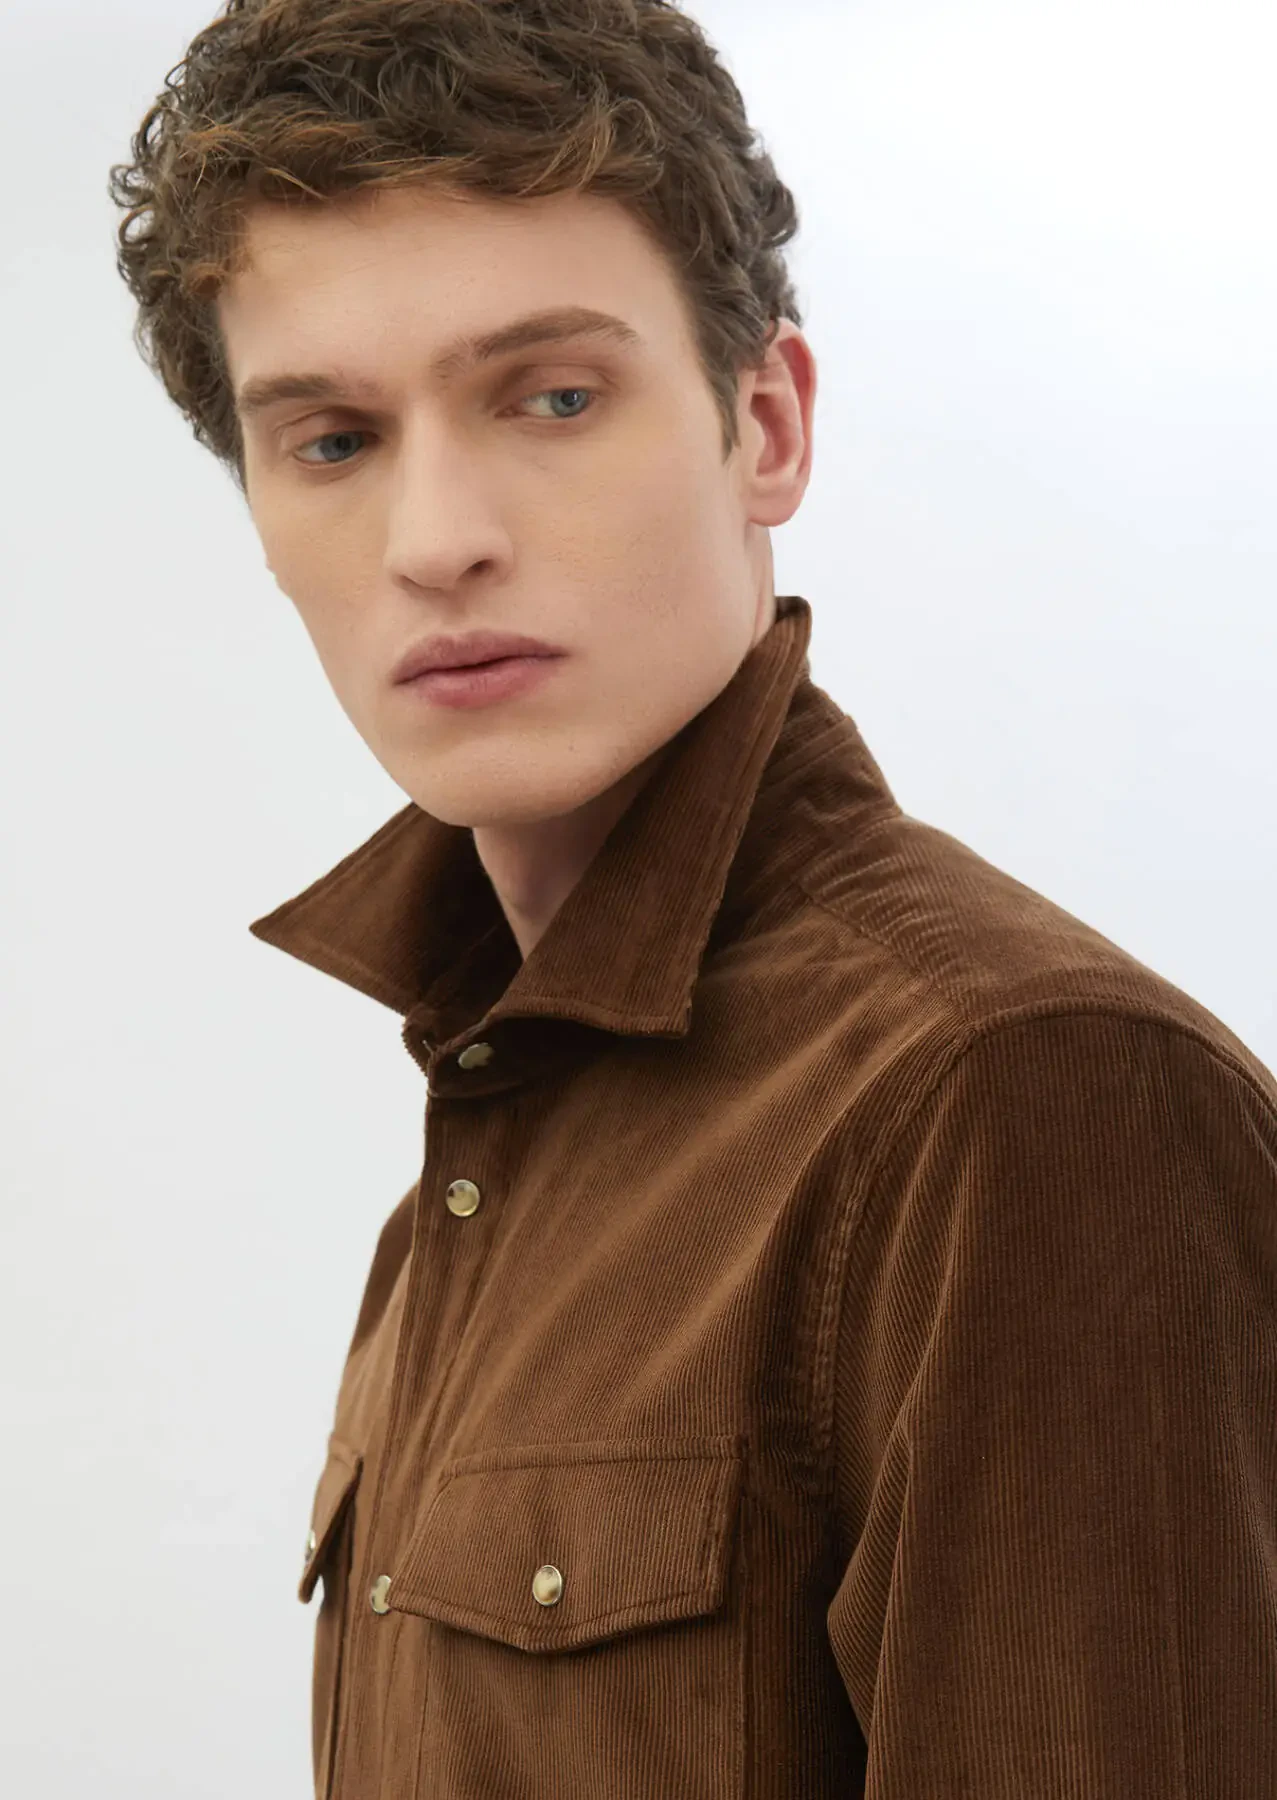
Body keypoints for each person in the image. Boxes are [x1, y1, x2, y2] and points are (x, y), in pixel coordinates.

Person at [108, 3, 1277, 1795]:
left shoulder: (1022, 1094)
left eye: (554, 397)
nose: (435, 537)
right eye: (332, 439)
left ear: (767, 424)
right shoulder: (471, 1168)